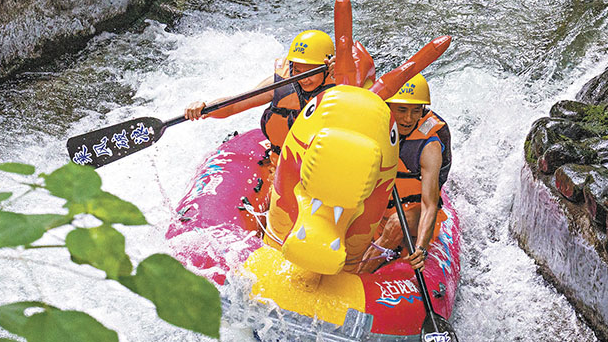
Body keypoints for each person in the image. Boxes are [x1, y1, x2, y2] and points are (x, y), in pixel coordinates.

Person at [184, 30, 335, 162]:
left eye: (310, 72)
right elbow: (234, 105)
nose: (303, 78)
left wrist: (347, 77)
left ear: (327, 67)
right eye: (297, 71)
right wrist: (204, 108)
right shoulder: (280, 84)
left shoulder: (340, 86)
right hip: (282, 163)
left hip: (317, 168)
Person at [359, 74, 452, 273]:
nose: (408, 118)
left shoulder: (429, 145)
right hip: (379, 210)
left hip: (414, 215)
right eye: (402, 110)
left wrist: (421, 247)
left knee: (396, 224)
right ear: (388, 107)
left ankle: (360, 276)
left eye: (415, 111)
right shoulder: (372, 126)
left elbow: (430, 205)